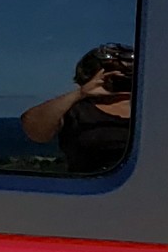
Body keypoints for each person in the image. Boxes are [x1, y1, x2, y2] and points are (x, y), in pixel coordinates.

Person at [21, 43, 137, 173]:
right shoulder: (76, 111)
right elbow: (35, 131)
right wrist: (80, 93)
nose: (121, 80)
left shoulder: (148, 110)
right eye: (113, 76)